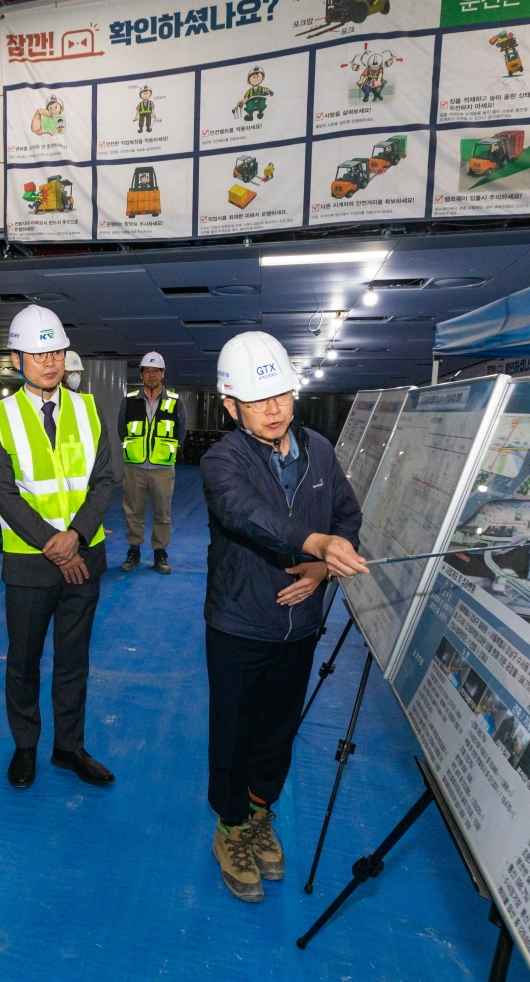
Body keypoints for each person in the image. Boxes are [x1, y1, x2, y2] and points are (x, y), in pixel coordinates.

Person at [199, 331, 366, 904]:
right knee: (234, 731)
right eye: (257, 401)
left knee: (278, 731)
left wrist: (321, 569)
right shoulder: (224, 460)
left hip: (302, 625)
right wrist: (314, 543)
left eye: (282, 397)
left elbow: (347, 511)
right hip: (241, 622)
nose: (274, 411)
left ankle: (259, 815)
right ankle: (229, 829)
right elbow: (246, 515)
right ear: (231, 407)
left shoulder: (319, 449)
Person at [0, 305, 121, 789]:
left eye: (57, 351)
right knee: (23, 661)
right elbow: (5, 492)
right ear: (18, 359)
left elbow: (106, 478)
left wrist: (77, 536)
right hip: (30, 563)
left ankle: (69, 747)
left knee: (73, 658)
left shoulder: (89, 409)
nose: (50, 361)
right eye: (39, 352)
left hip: (84, 558)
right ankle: (26, 746)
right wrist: (52, 543)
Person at [119, 351, 187, 575]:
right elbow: (122, 430)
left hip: (163, 469)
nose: (152, 375)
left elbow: (181, 432)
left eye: (156, 370)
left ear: (163, 374)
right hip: (135, 467)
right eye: (147, 371)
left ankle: (160, 553)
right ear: (141, 375)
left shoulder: (175, 402)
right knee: (133, 512)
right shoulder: (129, 400)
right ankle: (134, 552)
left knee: (163, 514)